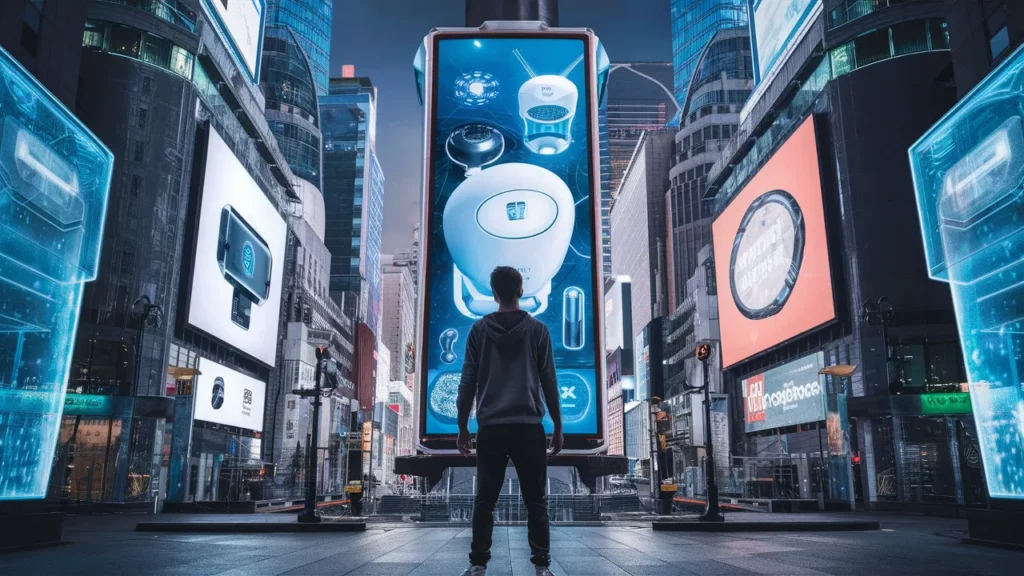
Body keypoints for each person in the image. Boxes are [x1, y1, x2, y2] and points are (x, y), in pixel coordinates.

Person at [457, 266, 563, 576]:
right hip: (529, 427)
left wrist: (463, 425)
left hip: (490, 427)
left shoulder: (478, 331)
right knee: (536, 501)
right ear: (521, 290)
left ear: (493, 293)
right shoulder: (538, 331)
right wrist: (557, 424)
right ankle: (542, 567)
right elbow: (549, 381)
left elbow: (467, 382)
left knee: (484, 501)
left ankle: (478, 565)